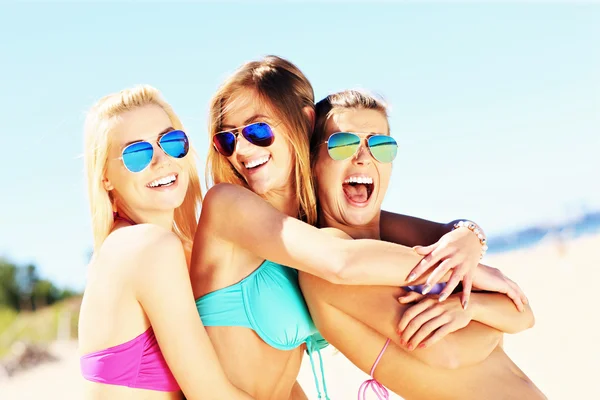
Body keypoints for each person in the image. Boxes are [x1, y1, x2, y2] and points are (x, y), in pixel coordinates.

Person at [190, 56, 526, 399]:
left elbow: (445, 233)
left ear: (304, 123)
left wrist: (469, 237)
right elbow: (343, 262)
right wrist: (457, 270)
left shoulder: (307, 229)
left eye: (256, 131)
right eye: (226, 141)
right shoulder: (226, 205)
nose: (242, 150)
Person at [299, 89, 546, 399]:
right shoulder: (328, 256)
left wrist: (467, 306)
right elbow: (448, 351)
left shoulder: (393, 239)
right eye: (343, 144)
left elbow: (524, 315)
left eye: (380, 145)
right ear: (312, 161)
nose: (363, 157)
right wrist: (482, 310)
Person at [78, 85, 254, 400]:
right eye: (137, 153)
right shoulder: (147, 247)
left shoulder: (159, 248)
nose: (161, 160)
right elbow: (211, 394)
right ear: (105, 176)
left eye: (171, 142)